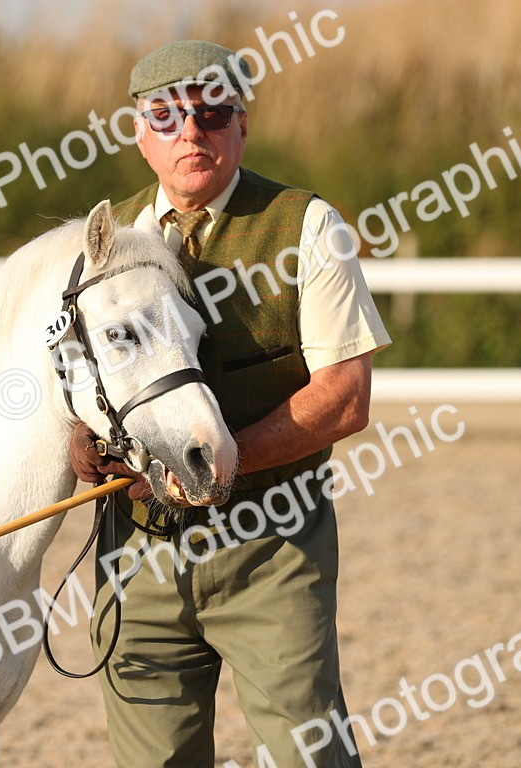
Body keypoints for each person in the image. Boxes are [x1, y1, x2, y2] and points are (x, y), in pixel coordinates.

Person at [68, 40, 391, 767]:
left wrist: (225, 460)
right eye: (166, 115)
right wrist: (76, 439)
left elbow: (345, 399)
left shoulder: (307, 227)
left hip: (272, 552)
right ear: (138, 133)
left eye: (213, 113)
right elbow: (64, 380)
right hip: (136, 560)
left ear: (243, 125)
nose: (191, 131)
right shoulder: (98, 242)